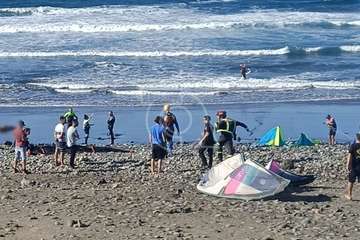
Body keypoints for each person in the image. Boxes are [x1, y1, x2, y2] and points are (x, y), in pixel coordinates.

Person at [345, 133, 360, 200]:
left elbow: (349, 156)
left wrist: (348, 165)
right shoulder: (353, 146)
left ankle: (349, 195)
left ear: (356, 138)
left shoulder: (353, 146)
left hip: (354, 166)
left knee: (351, 181)